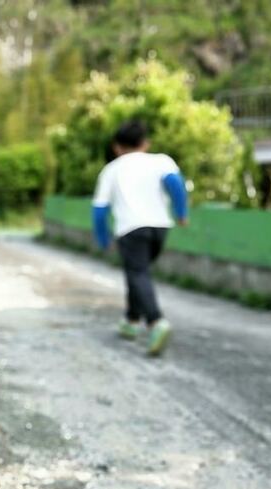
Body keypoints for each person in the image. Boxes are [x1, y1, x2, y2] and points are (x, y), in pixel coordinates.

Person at [91, 120, 189, 356]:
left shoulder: (111, 170)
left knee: (137, 273)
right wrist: (181, 213)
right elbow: (175, 184)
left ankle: (156, 322)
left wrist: (103, 239)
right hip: (160, 228)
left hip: (131, 229)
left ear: (117, 146)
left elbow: (99, 210)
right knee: (139, 272)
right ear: (145, 143)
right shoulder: (161, 161)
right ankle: (132, 320)